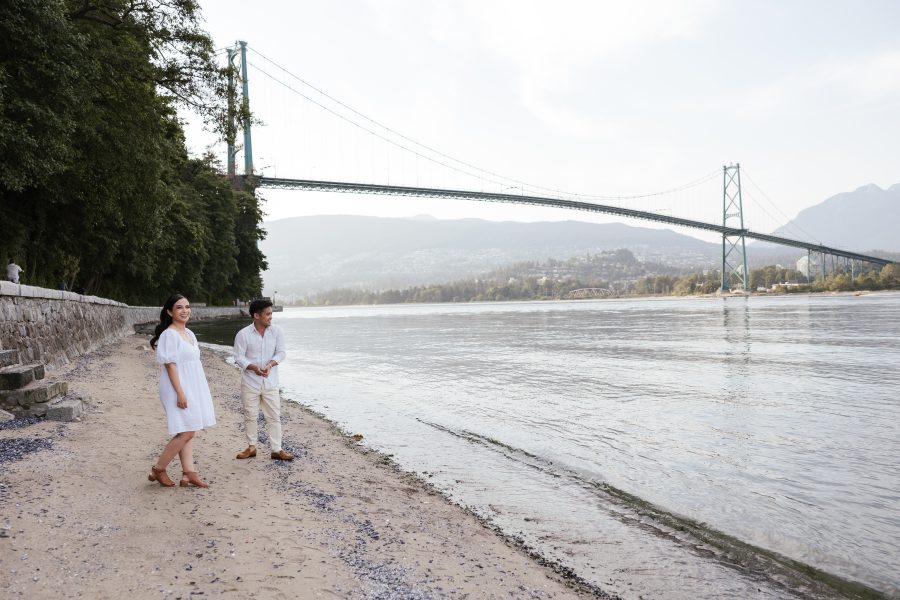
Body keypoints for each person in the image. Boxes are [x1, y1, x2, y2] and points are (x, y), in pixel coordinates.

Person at [148, 294, 217, 487]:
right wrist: (180, 392)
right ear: (170, 312)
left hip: (192, 383)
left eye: (187, 306)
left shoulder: (189, 333)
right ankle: (158, 469)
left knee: (189, 428)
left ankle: (189, 473)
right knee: (186, 431)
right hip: (176, 386)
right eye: (179, 307)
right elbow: (170, 365)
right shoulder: (169, 334)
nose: (185, 310)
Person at [233, 298, 293, 461]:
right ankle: (251, 447)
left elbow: (281, 353)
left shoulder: (277, 332)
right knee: (250, 415)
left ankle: (276, 450)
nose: (270, 317)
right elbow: (238, 357)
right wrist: (254, 368)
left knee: (274, 416)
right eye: (267, 314)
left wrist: (270, 365)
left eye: (271, 313)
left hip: (271, 382)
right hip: (250, 382)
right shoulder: (243, 334)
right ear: (256, 316)